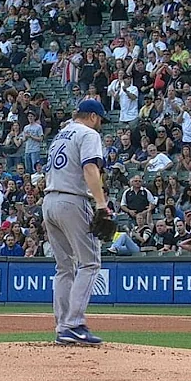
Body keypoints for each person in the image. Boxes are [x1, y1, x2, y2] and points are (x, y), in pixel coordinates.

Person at [44, 100, 112, 346]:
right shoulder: (88, 133)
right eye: (101, 119)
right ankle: (74, 324)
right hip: (72, 201)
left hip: (49, 200)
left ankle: (63, 327)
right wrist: (102, 204)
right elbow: (90, 168)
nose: (101, 124)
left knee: (64, 267)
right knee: (90, 262)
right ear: (93, 116)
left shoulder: (61, 134)